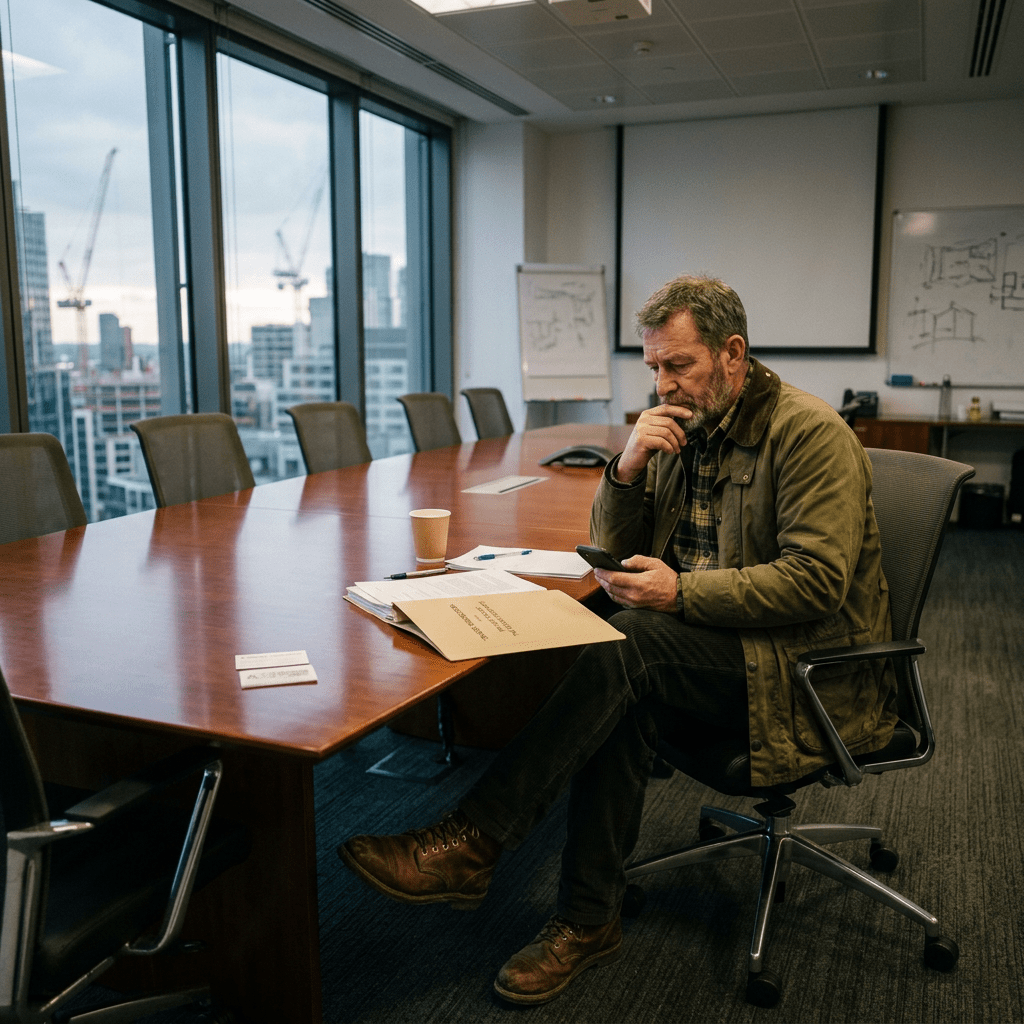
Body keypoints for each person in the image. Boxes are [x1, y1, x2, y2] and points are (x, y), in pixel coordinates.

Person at [338, 275, 897, 1005]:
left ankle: (474, 840)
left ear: (733, 354)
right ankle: (585, 921)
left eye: (679, 367)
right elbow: (606, 548)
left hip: (802, 670)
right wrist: (627, 468)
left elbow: (815, 583)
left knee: (631, 646)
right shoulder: (678, 428)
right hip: (709, 648)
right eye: (654, 368)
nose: (663, 385)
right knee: (622, 670)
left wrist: (680, 591)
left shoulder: (808, 433)